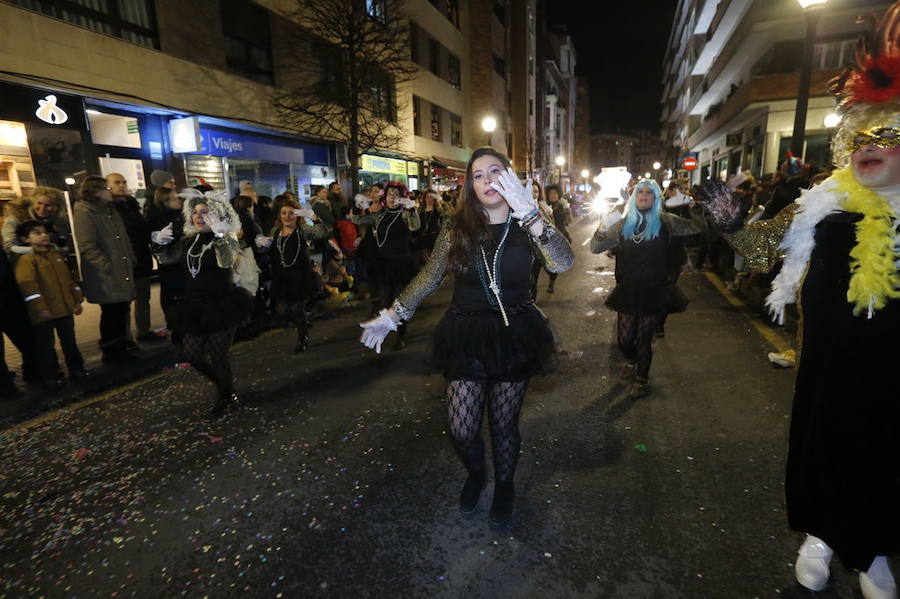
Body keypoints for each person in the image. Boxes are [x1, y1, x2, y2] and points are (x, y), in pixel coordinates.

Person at [705, 8, 900, 595]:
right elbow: (759, 249)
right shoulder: (821, 202)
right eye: (861, 136)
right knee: (823, 438)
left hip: (893, 370)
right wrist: (730, 218)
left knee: (885, 450)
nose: (870, 147)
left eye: (886, 135)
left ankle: (875, 551)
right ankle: (821, 533)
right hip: (826, 362)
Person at [358, 148, 574, 527]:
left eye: (495, 171)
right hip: (466, 331)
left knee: (504, 425)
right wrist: (394, 314)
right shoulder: (457, 226)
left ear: (508, 177)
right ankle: (477, 473)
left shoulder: (529, 221)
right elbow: (429, 276)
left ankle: (504, 484)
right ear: (470, 186)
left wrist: (532, 217)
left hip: (514, 332)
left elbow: (562, 262)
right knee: (461, 426)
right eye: (478, 175)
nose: (487, 180)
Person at [590, 179, 703, 399]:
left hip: (655, 290)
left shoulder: (667, 221)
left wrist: (693, 209)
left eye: (649, 192)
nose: (644, 195)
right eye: (640, 192)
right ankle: (631, 361)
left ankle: (642, 379)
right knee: (624, 340)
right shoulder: (623, 224)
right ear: (634, 197)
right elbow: (596, 247)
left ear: (656, 197)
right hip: (628, 289)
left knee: (643, 339)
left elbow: (699, 233)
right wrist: (604, 225)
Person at [151, 189, 252, 418]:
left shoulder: (226, 240)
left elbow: (226, 261)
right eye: (195, 212)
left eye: (205, 212)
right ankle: (225, 385)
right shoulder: (189, 241)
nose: (198, 216)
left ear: (216, 215)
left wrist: (221, 237)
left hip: (221, 306)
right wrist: (158, 243)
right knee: (192, 355)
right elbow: (166, 259)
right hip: (194, 306)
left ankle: (225, 395)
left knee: (218, 356)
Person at [72, 176, 138, 364]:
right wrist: (106, 266)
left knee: (120, 310)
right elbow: (87, 245)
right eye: (107, 188)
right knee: (111, 314)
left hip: (120, 269)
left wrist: (130, 259)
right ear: (96, 192)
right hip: (106, 275)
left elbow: (123, 239)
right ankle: (111, 353)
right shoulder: (85, 212)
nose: (110, 191)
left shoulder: (110, 211)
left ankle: (121, 349)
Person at [13, 221, 87, 386]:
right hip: (44, 313)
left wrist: (77, 299)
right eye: (37, 233)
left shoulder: (56, 255)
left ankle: (77, 369)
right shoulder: (27, 260)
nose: (44, 235)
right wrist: (40, 308)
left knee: (70, 342)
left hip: (65, 308)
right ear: (25, 239)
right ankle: (50, 376)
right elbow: (28, 286)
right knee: (46, 347)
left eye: (44, 232)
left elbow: (69, 280)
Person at [351, 181, 421, 349]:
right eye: (390, 194)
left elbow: (415, 225)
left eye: (396, 194)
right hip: (383, 264)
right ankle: (389, 328)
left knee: (399, 303)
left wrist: (412, 209)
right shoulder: (380, 216)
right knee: (385, 301)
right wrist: (359, 204)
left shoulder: (405, 215)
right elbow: (358, 220)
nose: (392, 197)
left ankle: (401, 336)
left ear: (402, 197)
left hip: (400, 264)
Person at [267, 198, 328, 353]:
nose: (287, 216)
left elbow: (322, 232)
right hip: (281, 277)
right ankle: (304, 323)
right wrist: (262, 244)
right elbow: (267, 250)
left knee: (297, 308)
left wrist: (315, 218)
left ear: (298, 215)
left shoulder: (303, 230)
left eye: (291, 213)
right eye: (284, 213)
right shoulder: (275, 232)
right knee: (283, 310)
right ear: (279, 216)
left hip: (300, 277)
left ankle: (302, 337)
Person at [107, 173, 160, 343]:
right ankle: (126, 338)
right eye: (117, 182)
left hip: (141, 257)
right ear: (108, 186)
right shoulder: (108, 208)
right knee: (125, 302)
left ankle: (143, 332)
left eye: (123, 182)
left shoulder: (131, 205)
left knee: (143, 298)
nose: (121, 185)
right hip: (123, 260)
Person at [145, 186, 185, 343]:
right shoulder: (163, 220)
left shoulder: (177, 217)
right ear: (165, 202)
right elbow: (163, 251)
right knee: (174, 301)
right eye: (175, 199)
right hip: (173, 269)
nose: (179, 201)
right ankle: (178, 334)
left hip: (178, 268)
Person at [0, 248, 40, 398]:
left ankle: (32, 374)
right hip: (9, 305)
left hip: (10, 305)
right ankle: (6, 388)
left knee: (28, 342)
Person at [2, 187, 71, 258]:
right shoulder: (16, 218)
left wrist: (53, 248)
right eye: (39, 203)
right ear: (33, 202)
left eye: (48, 205)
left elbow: (64, 248)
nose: (42, 208)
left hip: (48, 262)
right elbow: (9, 246)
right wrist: (33, 250)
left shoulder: (58, 223)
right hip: (22, 262)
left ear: (56, 207)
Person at [534, 185, 571, 294]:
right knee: (535, 269)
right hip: (541, 241)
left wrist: (567, 209)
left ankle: (551, 285)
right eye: (550, 194)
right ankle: (532, 294)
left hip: (555, 239)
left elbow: (568, 221)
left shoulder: (561, 206)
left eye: (555, 193)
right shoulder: (543, 205)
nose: (553, 196)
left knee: (552, 268)